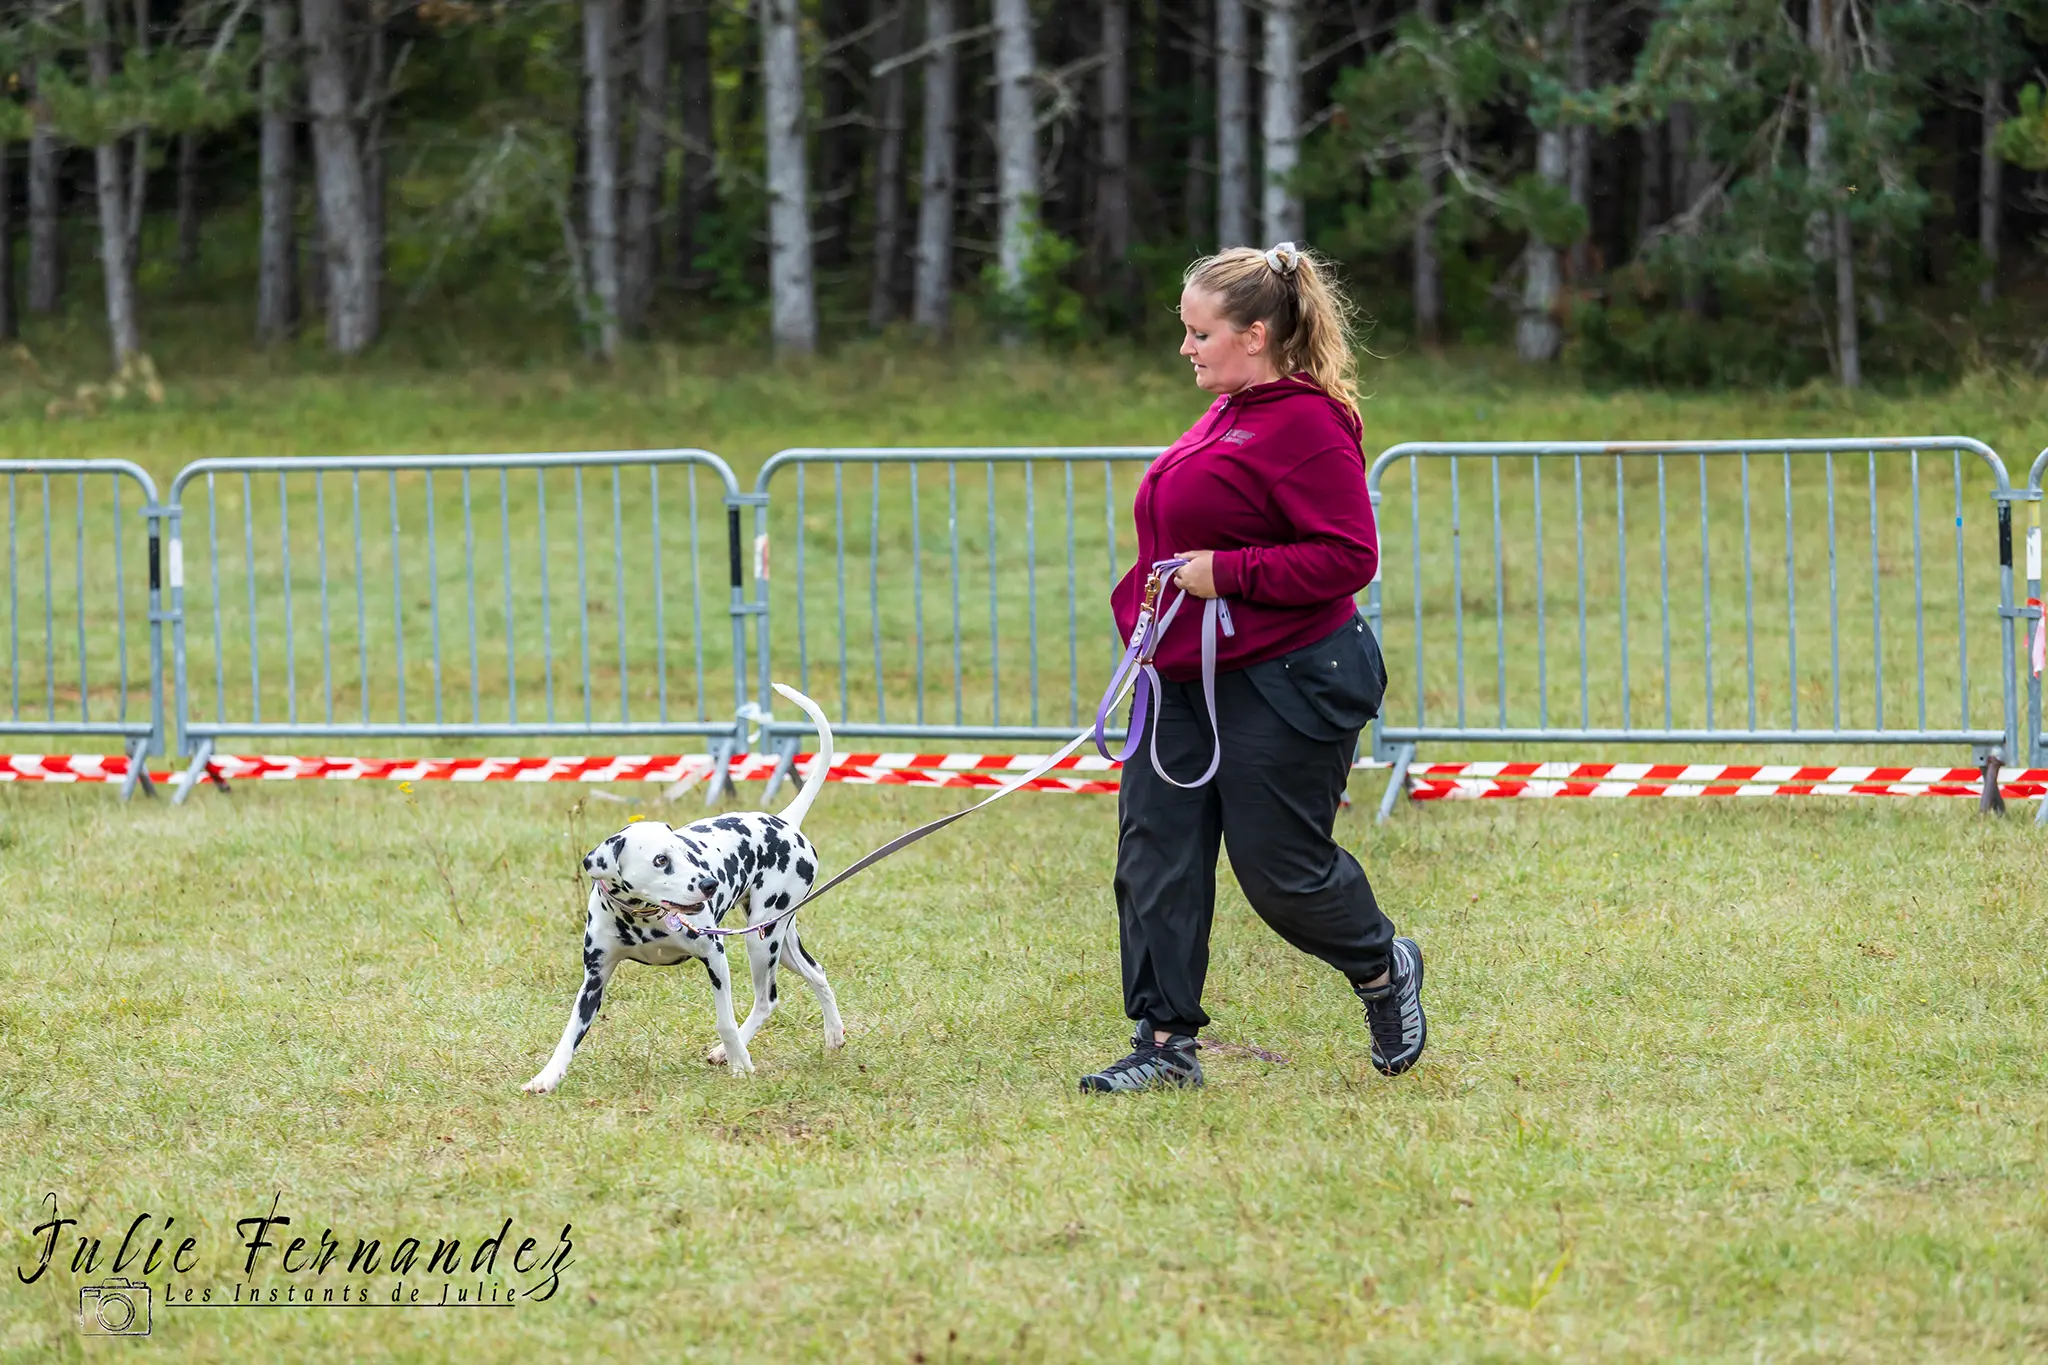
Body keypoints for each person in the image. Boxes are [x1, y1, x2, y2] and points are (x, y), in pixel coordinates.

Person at [1079, 242, 1426, 1093]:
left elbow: (1349, 555)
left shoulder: (1305, 422)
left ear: (1258, 334)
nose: (1188, 348)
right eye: (1186, 331)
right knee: (1155, 853)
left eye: (1201, 332)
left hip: (1285, 676)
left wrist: (1227, 573)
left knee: (1281, 872)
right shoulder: (1228, 408)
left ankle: (1382, 965)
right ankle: (1163, 1044)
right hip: (1183, 675)